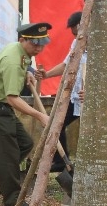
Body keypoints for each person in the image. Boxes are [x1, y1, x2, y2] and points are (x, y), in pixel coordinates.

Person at [0, 23, 51, 206]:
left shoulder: (19, 52)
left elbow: (18, 69)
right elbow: (13, 99)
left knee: (25, 144)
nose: (39, 48)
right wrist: (39, 115)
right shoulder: (13, 61)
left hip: (0, 108)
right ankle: (12, 200)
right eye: (34, 44)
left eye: (42, 43)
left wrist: (28, 73)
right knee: (8, 155)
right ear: (22, 40)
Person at [36, 11, 86, 173]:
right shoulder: (76, 44)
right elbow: (66, 65)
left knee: (90, 135)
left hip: (92, 101)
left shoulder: (103, 47)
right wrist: (46, 75)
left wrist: (93, 94)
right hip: (75, 98)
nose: (76, 38)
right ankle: (61, 162)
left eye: (77, 33)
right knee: (56, 123)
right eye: (74, 35)